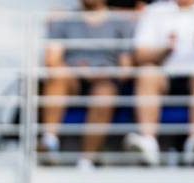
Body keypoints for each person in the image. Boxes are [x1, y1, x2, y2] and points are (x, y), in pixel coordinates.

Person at [41, 0, 135, 169]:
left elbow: (126, 68)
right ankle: (49, 142)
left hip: (105, 80)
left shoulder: (120, 22)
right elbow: (52, 60)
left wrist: (103, 73)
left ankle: (87, 160)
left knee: (104, 94)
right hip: (72, 79)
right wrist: (78, 70)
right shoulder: (64, 19)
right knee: (58, 75)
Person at [125, 0, 194, 166]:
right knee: (147, 73)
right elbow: (140, 56)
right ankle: (148, 143)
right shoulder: (155, 10)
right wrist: (165, 50)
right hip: (164, 77)